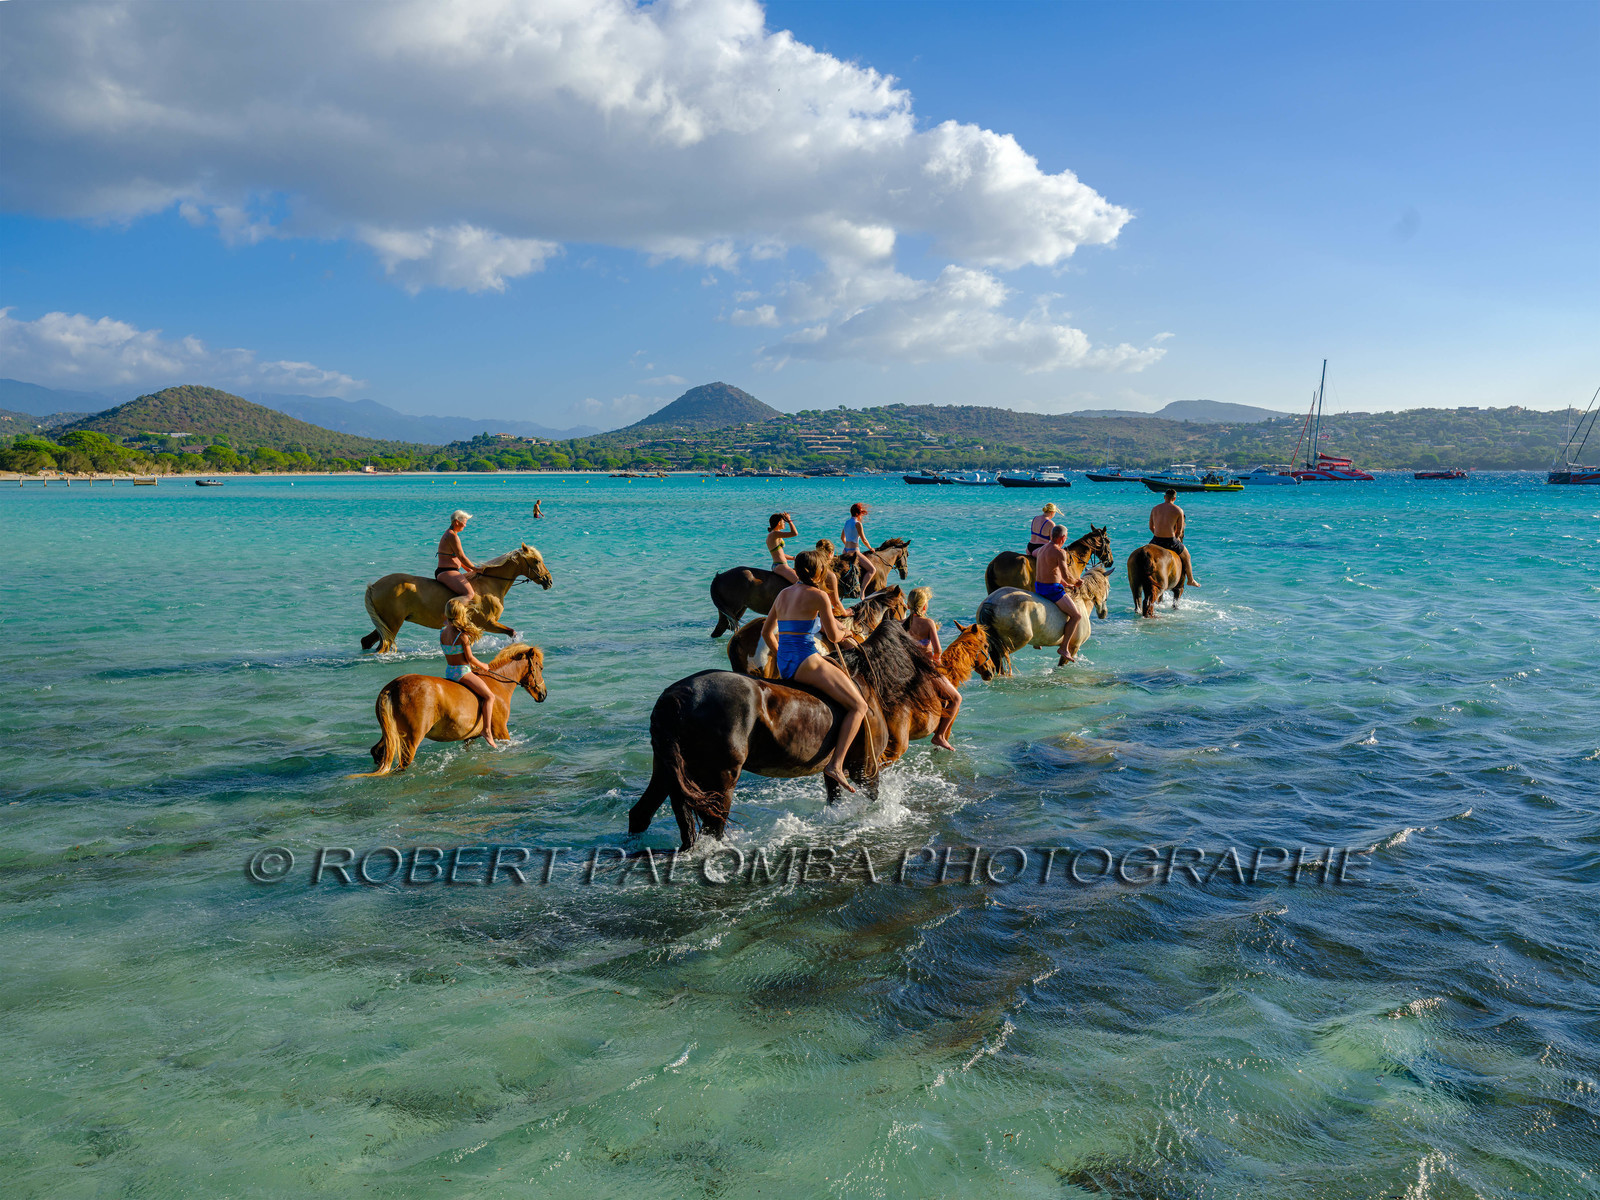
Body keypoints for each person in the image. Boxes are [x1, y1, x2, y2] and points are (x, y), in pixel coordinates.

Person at [760, 550, 870, 792]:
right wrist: (848, 633)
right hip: (807, 660)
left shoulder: (783, 594)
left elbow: (767, 633)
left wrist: (782, 656)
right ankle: (836, 765)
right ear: (819, 571)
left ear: (797, 570)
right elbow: (833, 636)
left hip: (785, 662)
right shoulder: (819, 596)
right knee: (859, 706)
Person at [905, 587, 962, 751]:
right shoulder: (928, 623)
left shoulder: (902, 624)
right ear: (924, 607)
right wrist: (936, 661)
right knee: (956, 698)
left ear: (908, 606)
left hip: (906, 668)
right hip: (924, 670)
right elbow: (937, 650)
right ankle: (940, 736)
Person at [440, 597, 499, 749]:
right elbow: (470, 658)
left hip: (449, 672)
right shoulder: (462, 636)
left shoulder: (442, 632)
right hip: (462, 673)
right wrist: (484, 666)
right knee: (489, 696)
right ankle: (486, 730)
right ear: (461, 615)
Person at [1034, 524, 1085, 665]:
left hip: (1039, 587)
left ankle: (1037, 640)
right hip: (1052, 590)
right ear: (1062, 538)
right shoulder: (1060, 552)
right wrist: (1076, 582)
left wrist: (1065, 583)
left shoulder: (1041, 549)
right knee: (1076, 616)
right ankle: (1064, 648)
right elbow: (1067, 575)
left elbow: (1051, 571)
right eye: (1066, 537)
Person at [1148, 489, 1201, 586]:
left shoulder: (1155, 509)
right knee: (1187, 556)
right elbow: (1180, 530)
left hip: (1156, 540)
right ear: (1174, 498)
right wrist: (1175, 539)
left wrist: (1157, 535)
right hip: (1170, 541)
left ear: (1164, 497)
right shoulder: (1178, 510)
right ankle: (1190, 580)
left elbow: (1151, 527)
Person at [436, 509, 480, 600]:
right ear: (456, 522)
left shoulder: (450, 533)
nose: (465, 525)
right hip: (447, 571)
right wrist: (476, 568)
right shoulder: (452, 536)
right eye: (464, 523)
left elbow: (457, 558)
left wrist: (470, 570)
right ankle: (454, 613)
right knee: (469, 594)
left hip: (448, 570)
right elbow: (462, 557)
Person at [839, 502, 874, 591]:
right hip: (854, 552)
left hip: (845, 551)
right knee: (872, 570)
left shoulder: (846, 522)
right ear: (858, 514)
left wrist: (847, 546)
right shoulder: (858, 524)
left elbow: (842, 538)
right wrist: (870, 548)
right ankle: (862, 591)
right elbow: (864, 540)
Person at [812, 539, 850, 619]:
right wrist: (846, 613)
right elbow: (835, 603)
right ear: (830, 554)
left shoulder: (811, 567)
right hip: (817, 616)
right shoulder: (829, 575)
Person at [766, 512, 799, 583]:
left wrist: (794, 558)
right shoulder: (775, 534)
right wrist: (789, 520)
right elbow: (795, 533)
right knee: (800, 583)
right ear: (779, 523)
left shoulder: (773, 535)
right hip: (781, 565)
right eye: (783, 522)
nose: (784, 523)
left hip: (778, 565)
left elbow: (780, 554)